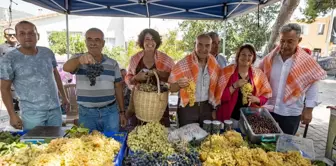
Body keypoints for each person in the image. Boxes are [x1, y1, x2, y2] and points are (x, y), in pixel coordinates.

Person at [259, 23, 326, 135]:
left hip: (291, 113)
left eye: (290, 41)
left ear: (299, 40)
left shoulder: (306, 62)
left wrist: (308, 110)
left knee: (286, 147)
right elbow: (258, 74)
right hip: (269, 109)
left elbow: (312, 86)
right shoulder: (271, 58)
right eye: (282, 41)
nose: (285, 45)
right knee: (265, 144)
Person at [0, 21, 69, 130]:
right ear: (17, 36)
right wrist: (12, 115)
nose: (27, 36)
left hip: (55, 110)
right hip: (32, 114)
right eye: (22, 33)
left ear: (38, 36)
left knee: (57, 144)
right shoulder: (9, 59)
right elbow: (4, 89)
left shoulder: (47, 52)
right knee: (35, 145)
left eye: (31, 33)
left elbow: (56, 75)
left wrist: (64, 97)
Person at [63, 28, 126, 132]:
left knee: (112, 143)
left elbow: (118, 87)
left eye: (97, 40)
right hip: (87, 114)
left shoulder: (112, 63)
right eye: (89, 39)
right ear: (86, 42)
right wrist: (79, 60)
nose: (93, 43)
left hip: (110, 113)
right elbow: (66, 67)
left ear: (103, 43)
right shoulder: (78, 59)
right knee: (89, 146)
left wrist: (122, 112)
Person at [169, 34, 224, 127]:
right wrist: (178, 85)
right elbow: (170, 88)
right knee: (187, 140)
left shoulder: (214, 63)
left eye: (207, 45)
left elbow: (217, 88)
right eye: (200, 45)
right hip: (188, 108)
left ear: (211, 47)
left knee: (207, 138)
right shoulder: (183, 64)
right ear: (195, 44)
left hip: (207, 107)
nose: (203, 49)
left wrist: (214, 109)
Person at [125, 29, 175, 127]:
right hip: (140, 103)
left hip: (159, 103)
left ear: (157, 42)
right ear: (142, 41)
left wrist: (159, 74)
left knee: (159, 134)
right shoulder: (135, 59)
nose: (150, 42)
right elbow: (129, 79)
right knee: (140, 135)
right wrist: (136, 77)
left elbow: (173, 78)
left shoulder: (166, 59)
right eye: (147, 39)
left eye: (153, 39)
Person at [217, 44, 272, 125]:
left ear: (253, 58)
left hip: (248, 120)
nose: (246, 57)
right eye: (243, 54)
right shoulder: (227, 72)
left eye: (250, 55)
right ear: (238, 56)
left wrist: (256, 99)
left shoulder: (258, 74)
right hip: (228, 119)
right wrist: (234, 86)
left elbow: (266, 96)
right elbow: (220, 97)